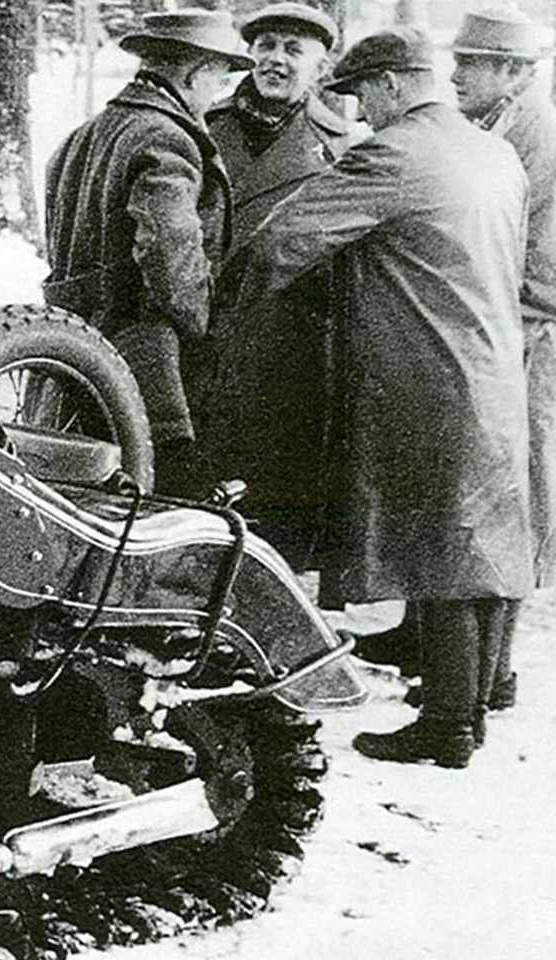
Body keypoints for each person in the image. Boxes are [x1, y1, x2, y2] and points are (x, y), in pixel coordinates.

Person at [233, 27, 533, 768]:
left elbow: (281, 242)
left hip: (427, 380)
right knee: (483, 545)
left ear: (395, 84)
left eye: (363, 94)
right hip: (494, 369)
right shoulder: (496, 153)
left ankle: (448, 728)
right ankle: (475, 705)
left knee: (445, 550)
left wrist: (227, 318)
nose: (360, 112)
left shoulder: (395, 151)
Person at [42, 9, 251, 497]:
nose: (218, 92)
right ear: (195, 74)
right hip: (148, 368)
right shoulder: (167, 138)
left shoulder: (83, 136)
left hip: (69, 355)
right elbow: (168, 257)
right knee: (158, 514)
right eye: (219, 77)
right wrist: (205, 328)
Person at [194, 3, 364, 563]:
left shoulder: (342, 146)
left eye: (294, 50)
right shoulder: (202, 125)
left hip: (291, 346)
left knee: (279, 492)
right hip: (205, 333)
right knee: (201, 486)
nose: (275, 60)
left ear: (320, 64)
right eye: (266, 46)